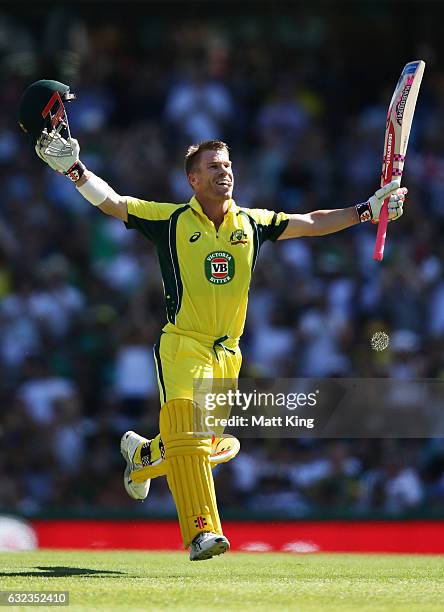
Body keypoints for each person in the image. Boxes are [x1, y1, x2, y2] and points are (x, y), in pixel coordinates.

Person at [21, 81, 407, 561]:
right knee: (187, 433)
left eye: (227, 165)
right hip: (182, 344)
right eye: (213, 167)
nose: (224, 173)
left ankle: (142, 458)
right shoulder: (172, 221)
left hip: (229, 352)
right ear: (193, 180)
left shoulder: (252, 222)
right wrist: (75, 170)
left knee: (206, 447)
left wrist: (367, 210)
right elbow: (114, 203)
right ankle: (203, 532)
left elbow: (310, 221)